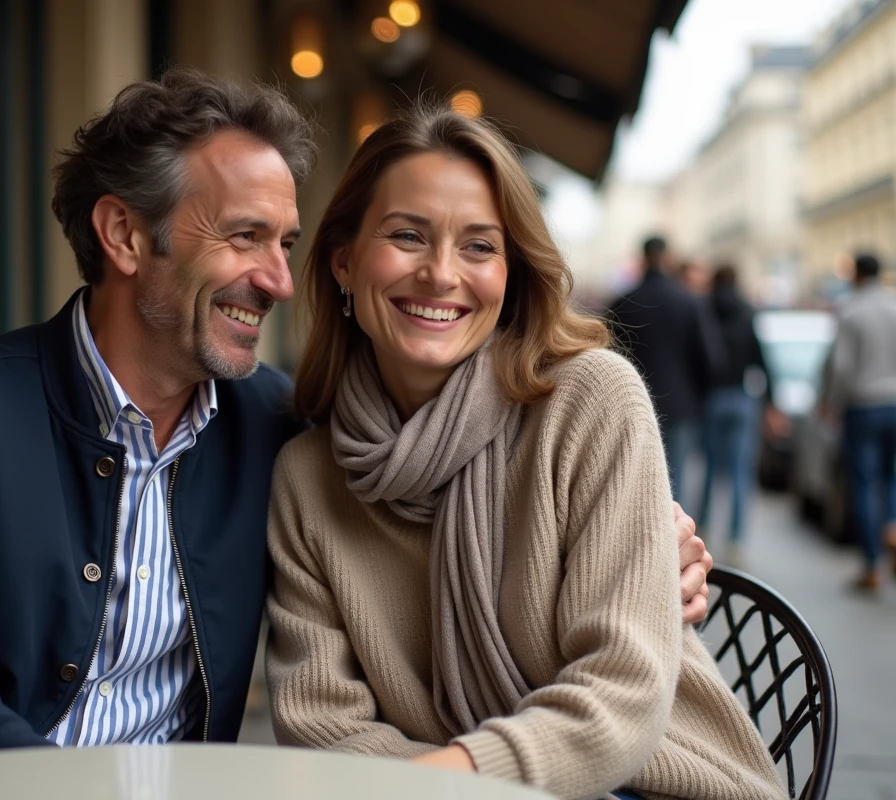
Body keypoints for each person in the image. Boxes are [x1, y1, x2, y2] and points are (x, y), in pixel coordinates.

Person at [0, 69, 712, 785]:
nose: (275, 279)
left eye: (284, 243)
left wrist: (649, 545)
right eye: (242, 237)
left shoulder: (276, 428)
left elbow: (440, 502)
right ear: (122, 235)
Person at [266, 104, 781, 800]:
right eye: (407, 235)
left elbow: (622, 692)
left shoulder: (591, 400)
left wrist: (454, 779)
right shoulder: (307, 477)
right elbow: (320, 724)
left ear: (511, 276)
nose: (442, 273)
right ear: (345, 263)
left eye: (480, 246)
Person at [608, 237, 723, 504]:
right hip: (680, 406)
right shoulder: (690, 302)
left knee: (633, 482)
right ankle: (670, 543)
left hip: (630, 405)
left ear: (644, 257)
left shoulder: (623, 303)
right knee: (674, 484)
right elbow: (711, 360)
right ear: (668, 258)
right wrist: (697, 398)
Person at [823, 253, 896, 592]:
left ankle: (871, 565)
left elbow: (841, 366)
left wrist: (831, 403)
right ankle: (893, 527)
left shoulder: (851, 310)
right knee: (892, 477)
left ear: (856, 276)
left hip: (863, 406)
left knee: (865, 484)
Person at [697, 264, 777, 566]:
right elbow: (762, 359)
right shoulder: (747, 312)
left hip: (711, 398)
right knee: (741, 472)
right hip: (743, 398)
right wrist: (771, 402)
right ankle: (735, 539)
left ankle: (701, 529)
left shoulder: (704, 310)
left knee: (709, 468)